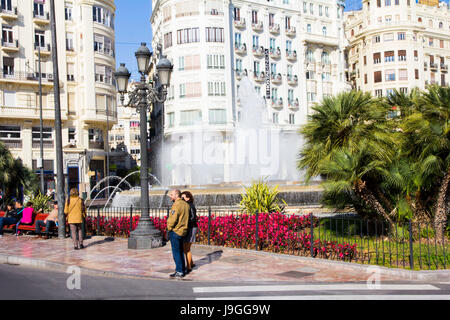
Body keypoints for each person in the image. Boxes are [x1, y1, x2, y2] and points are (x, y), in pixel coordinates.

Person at [167, 189, 190, 278]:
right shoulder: (185, 204)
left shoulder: (176, 205)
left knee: (176, 252)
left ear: (177, 195)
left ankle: (179, 271)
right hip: (183, 231)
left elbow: (173, 220)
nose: (170, 196)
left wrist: (169, 228)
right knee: (180, 251)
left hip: (176, 231)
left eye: (171, 194)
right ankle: (182, 269)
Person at [181, 191, 198, 274]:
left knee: (186, 249)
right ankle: (191, 263)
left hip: (191, 228)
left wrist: (185, 223)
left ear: (188, 198)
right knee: (186, 248)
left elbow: (193, 218)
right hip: (191, 228)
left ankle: (188, 267)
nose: (181, 199)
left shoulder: (189, 206)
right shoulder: (188, 205)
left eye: (183, 197)